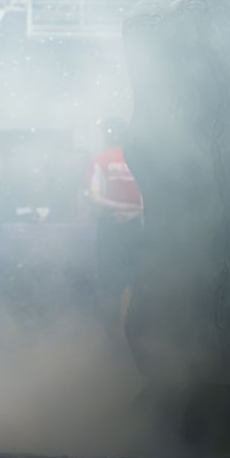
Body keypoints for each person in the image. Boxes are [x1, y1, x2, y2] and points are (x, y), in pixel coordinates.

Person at [87, 117, 143, 328]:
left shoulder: (100, 159)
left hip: (112, 224)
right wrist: (134, 211)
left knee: (110, 279)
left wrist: (120, 208)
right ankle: (127, 328)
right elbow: (150, 197)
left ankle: (112, 331)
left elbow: (95, 196)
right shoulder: (137, 158)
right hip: (135, 224)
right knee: (133, 278)